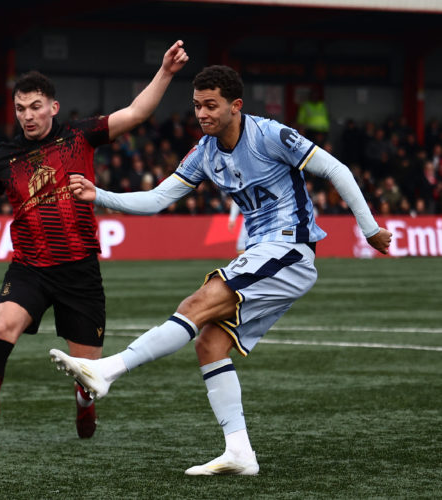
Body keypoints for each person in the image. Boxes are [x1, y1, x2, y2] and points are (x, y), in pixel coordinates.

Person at [52, 65, 392, 476]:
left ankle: (109, 369)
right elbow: (159, 199)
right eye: (196, 106)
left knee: (198, 301)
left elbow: (337, 170)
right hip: (264, 253)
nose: (202, 114)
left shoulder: (270, 134)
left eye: (211, 105)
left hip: (290, 247)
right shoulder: (204, 152)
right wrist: (98, 194)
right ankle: (240, 453)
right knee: (210, 343)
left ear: (236, 106)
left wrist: (370, 229)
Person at [0, 41, 189, 453]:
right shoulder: (4, 159)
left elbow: (136, 113)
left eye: (36, 106)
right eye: (21, 108)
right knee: (2, 326)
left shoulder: (80, 136)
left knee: (87, 372)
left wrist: (165, 72)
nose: (28, 115)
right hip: (30, 268)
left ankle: (83, 401)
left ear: (53, 107)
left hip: (80, 270)